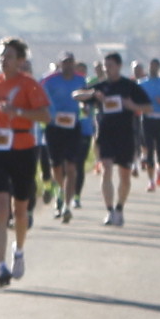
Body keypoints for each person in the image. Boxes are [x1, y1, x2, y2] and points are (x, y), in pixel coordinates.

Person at [0, 39, 50, 289]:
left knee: (20, 210)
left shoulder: (29, 85)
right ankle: (0, 266)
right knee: (0, 209)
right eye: (0, 55)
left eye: (8, 56)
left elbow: (45, 116)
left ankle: (18, 251)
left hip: (23, 149)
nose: (3, 60)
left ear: (20, 60)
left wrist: (18, 112)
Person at [84, 48, 149, 226]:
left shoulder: (129, 86)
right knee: (106, 169)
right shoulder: (101, 86)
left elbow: (148, 107)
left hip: (125, 135)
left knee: (125, 176)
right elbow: (76, 95)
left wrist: (132, 105)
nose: (107, 69)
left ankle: (120, 208)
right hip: (105, 134)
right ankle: (109, 210)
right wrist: (93, 95)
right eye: (105, 66)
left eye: (110, 65)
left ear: (119, 66)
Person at [39, 50, 89, 225]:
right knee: (56, 166)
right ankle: (59, 192)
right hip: (54, 127)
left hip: (73, 127)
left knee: (72, 167)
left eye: (70, 62)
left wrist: (85, 106)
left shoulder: (80, 80)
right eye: (65, 62)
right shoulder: (49, 80)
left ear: (74, 63)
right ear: (60, 64)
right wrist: (50, 114)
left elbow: (85, 98)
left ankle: (67, 206)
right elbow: (41, 98)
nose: (68, 65)